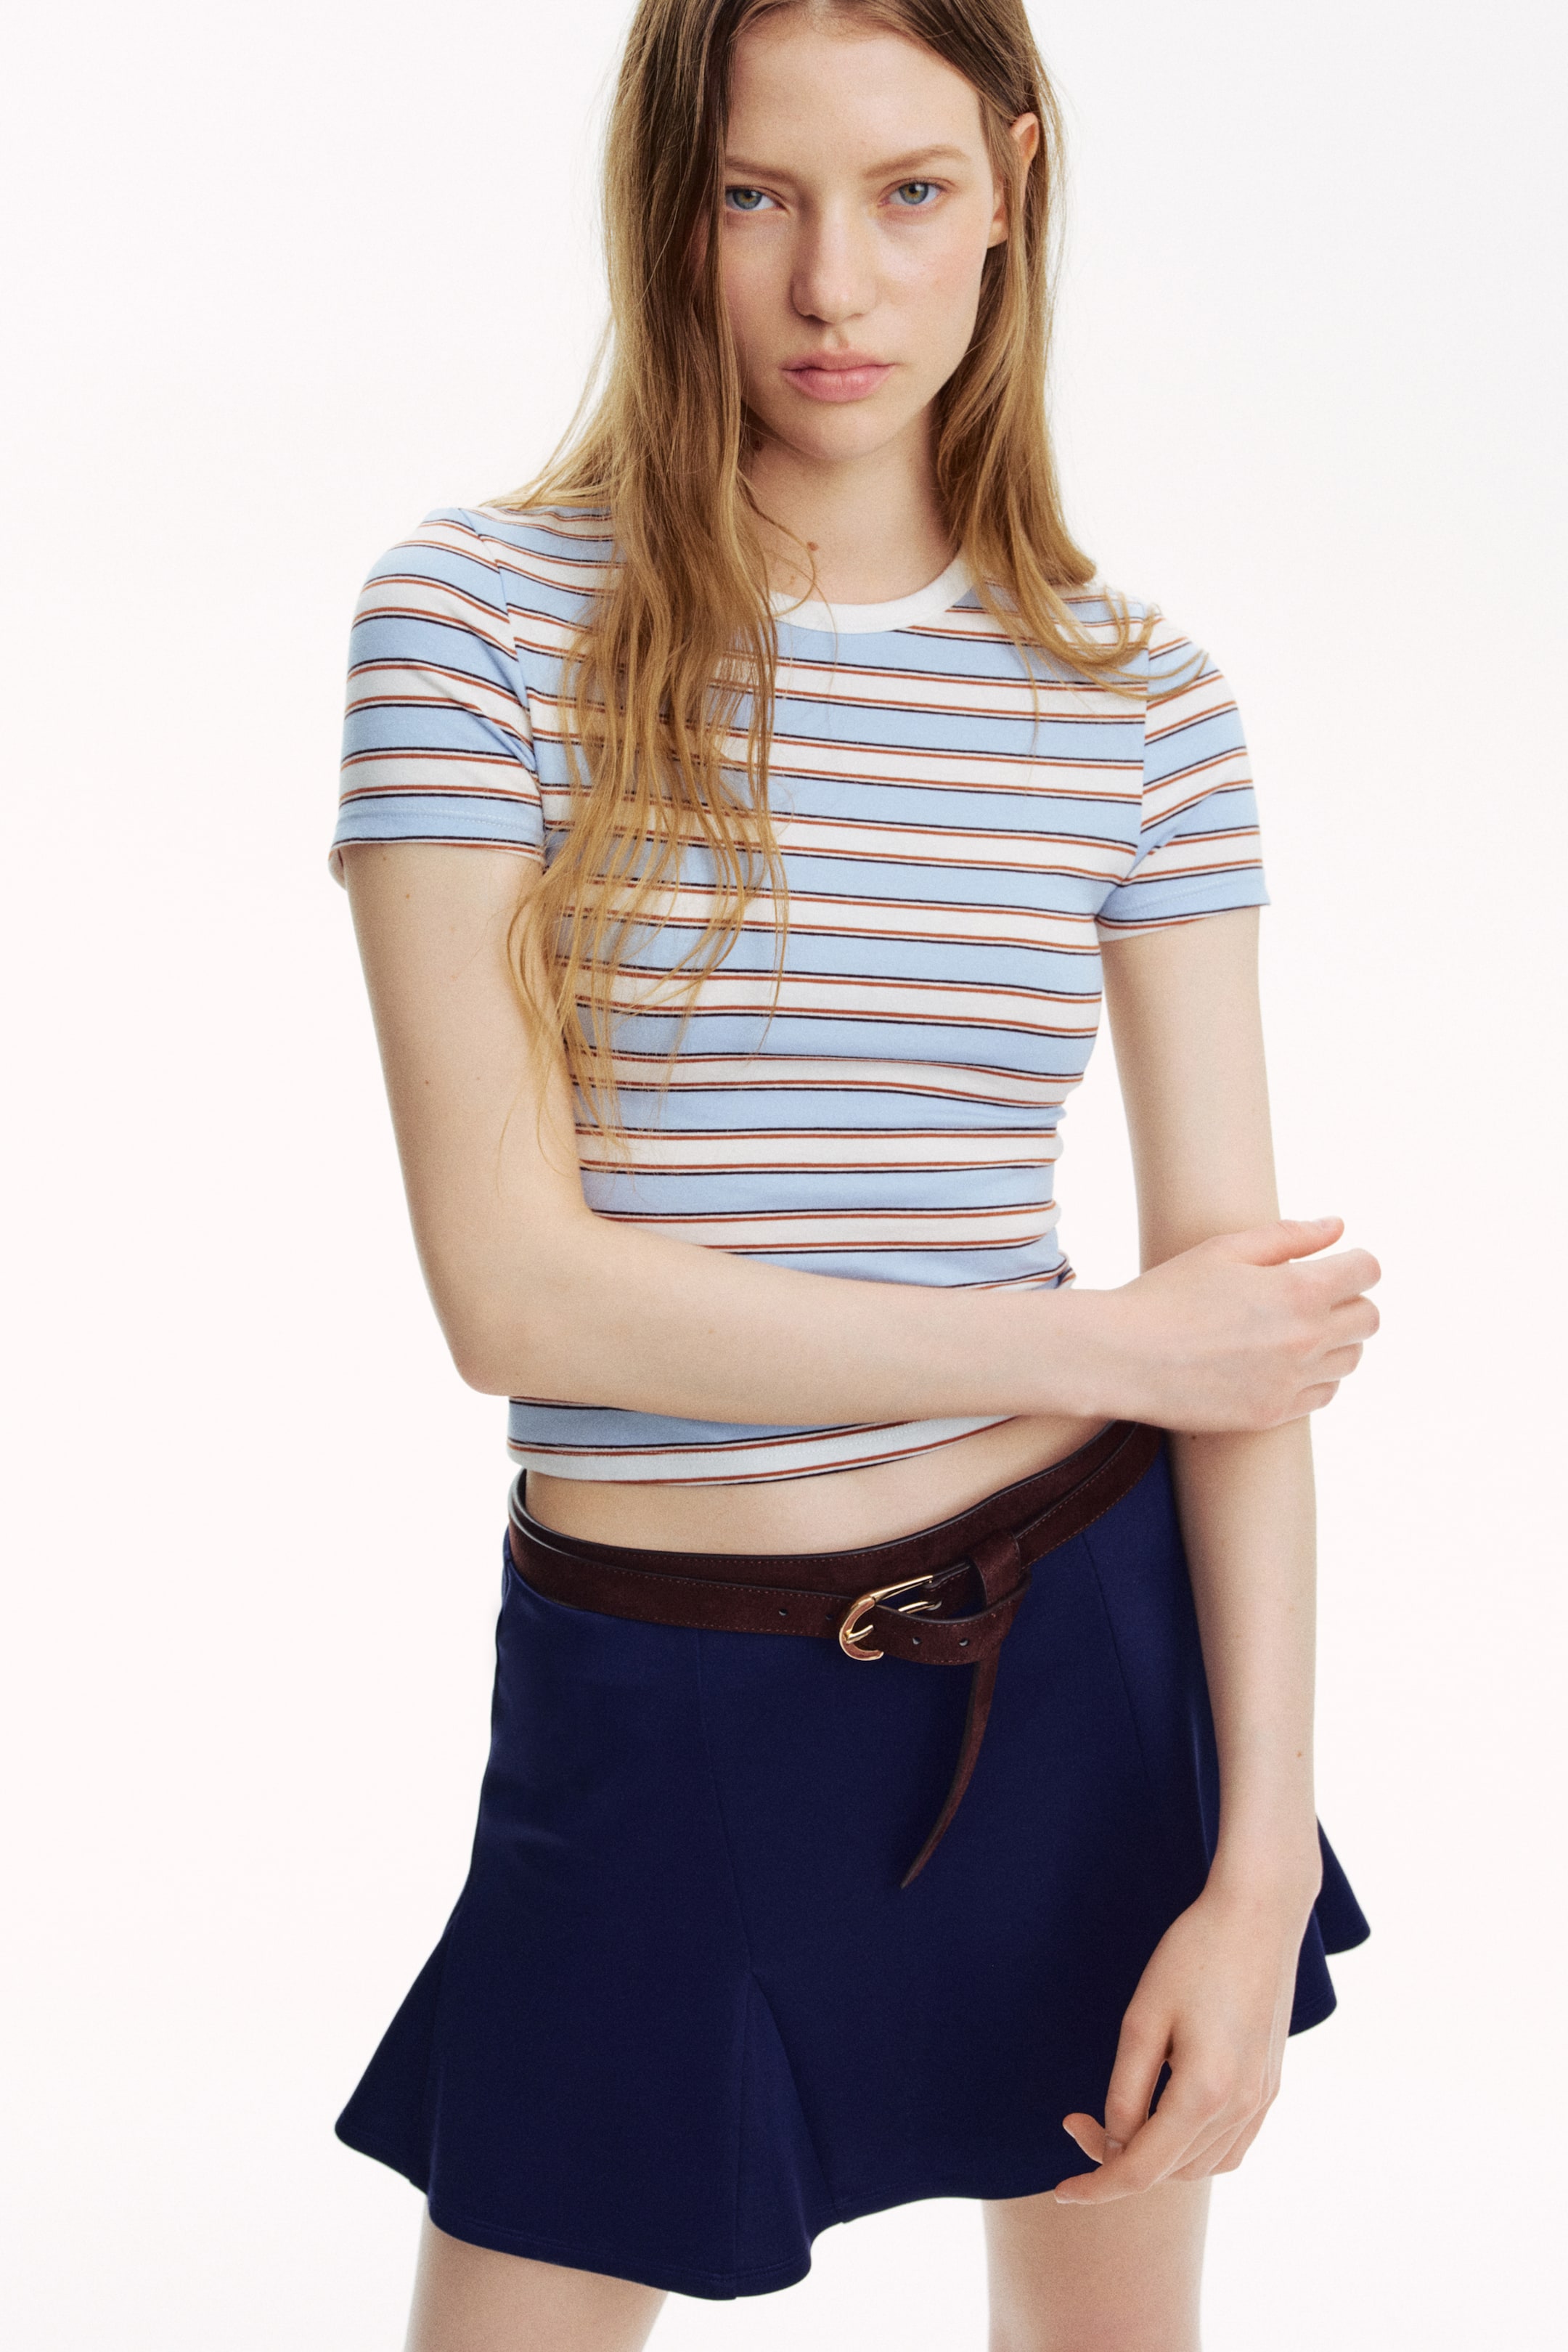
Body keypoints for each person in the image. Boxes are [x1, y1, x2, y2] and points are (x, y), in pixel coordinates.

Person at [330, 3, 1379, 2345]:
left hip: (1082, 1677)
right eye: (756, 197)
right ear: (665, 203)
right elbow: (518, 1299)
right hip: (659, 1698)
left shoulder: (1140, 701)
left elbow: (1241, 1354)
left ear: (1010, 184)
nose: (835, 285)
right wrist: (1110, 1346)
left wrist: (1257, 1861)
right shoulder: (477, 626)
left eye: (909, 193)